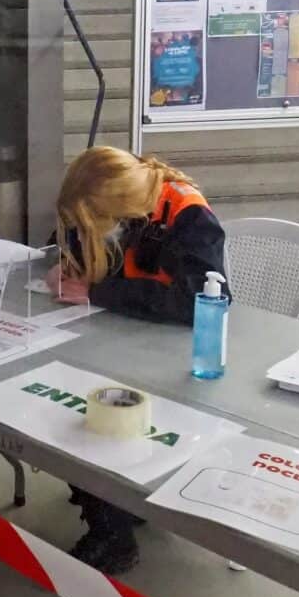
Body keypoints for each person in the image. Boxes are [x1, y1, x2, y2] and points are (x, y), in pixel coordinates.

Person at [52, 146, 228, 574]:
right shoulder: (117, 205)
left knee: (92, 414)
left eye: (96, 221)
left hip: (178, 356)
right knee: (64, 399)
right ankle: (115, 497)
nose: (92, 230)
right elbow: (80, 242)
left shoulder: (188, 216)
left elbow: (197, 301)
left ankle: (112, 537)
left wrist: (97, 293)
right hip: (122, 340)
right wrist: (68, 266)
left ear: (120, 208)